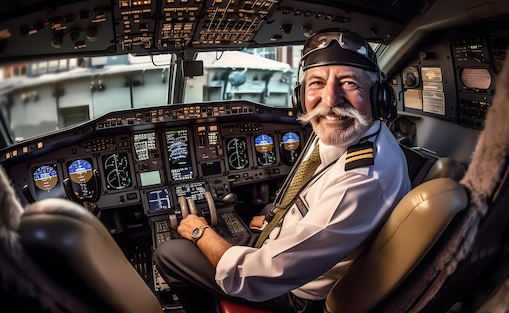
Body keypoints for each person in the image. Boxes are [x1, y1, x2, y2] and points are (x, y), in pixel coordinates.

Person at [153, 28, 411, 313]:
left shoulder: (360, 181)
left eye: (349, 83)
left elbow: (253, 274)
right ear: (300, 97)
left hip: (296, 293)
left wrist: (201, 230)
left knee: (169, 253)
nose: (329, 99)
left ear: (380, 97)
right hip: (295, 253)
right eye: (316, 83)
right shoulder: (355, 133)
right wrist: (272, 223)